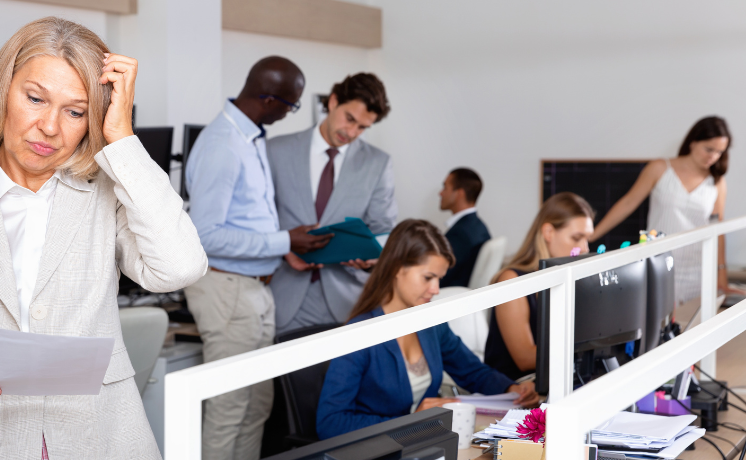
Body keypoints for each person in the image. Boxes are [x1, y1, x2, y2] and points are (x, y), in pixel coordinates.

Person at [0, 17, 207, 459]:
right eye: (35, 98)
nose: (50, 127)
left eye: (75, 111)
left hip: (103, 442)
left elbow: (180, 267)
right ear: (2, 91)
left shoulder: (108, 195)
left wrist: (123, 139)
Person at [184, 56, 331, 460]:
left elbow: (246, 221)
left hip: (254, 289)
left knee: (256, 409)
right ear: (269, 99)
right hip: (227, 289)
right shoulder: (222, 144)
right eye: (291, 105)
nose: (290, 113)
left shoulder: (248, 136)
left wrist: (286, 251)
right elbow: (205, 235)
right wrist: (285, 241)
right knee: (229, 410)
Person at [316, 220, 539, 440]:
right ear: (396, 268)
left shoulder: (430, 323)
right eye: (428, 278)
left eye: (439, 279)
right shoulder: (360, 334)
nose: (435, 289)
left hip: (423, 446)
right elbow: (330, 422)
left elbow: (472, 372)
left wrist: (512, 388)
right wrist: (410, 422)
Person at [267, 73, 397, 334]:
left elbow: (384, 228)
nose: (351, 132)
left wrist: (372, 258)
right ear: (333, 101)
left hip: (349, 299)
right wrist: (284, 247)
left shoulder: (377, 163)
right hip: (285, 295)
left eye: (362, 127)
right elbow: (258, 216)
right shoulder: (275, 150)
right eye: (350, 119)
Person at [590, 116, 742, 304]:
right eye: (709, 149)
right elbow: (628, 203)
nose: (713, 156)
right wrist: (592, 235)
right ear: (693, 142)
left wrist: (722, 276)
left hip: (698, 272)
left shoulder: (717, 182)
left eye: (720, 152)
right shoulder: (660, 168)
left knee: (693, 328)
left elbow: (717, 229)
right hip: (659, 264)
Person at [484, 193, 594, 381]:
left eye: (587, 239)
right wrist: (591, 346)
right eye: (577, 238)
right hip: (518, 390)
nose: (584, 248)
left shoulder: (569, 279)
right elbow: (526, 358)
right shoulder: (511, 281)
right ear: (548, 233)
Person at [438, 168, 491, 288]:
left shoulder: (460, 233)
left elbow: (440, 276)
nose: (440, 193)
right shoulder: (478, 226)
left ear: (459, 193)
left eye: (445, 187)